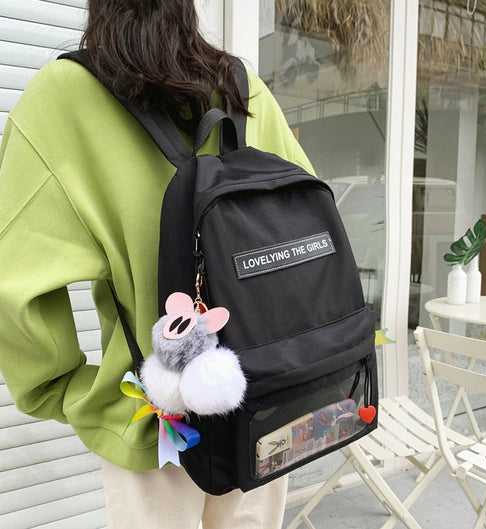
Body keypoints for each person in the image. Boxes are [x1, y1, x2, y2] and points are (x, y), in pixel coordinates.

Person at [0, 1, 314, 528]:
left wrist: (65, 389)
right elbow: (310, 226)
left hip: (158, 420)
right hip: (267, 405)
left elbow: (13, 284)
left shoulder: (65, 96)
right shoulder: (241, 86)